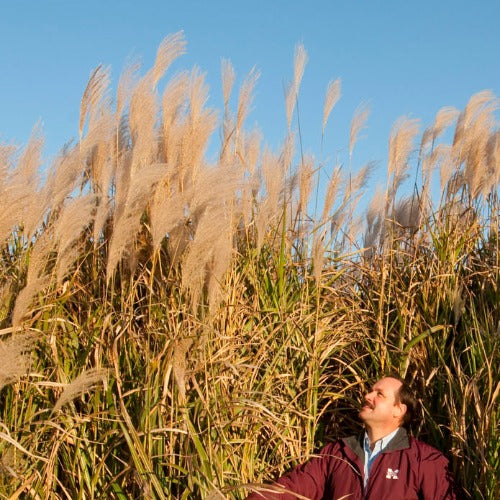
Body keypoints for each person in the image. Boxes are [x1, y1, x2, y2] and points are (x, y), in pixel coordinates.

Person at [246, 376, 457, 499]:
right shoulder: (336, 454)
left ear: (398, 410)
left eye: (379, 394)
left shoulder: (424, 460)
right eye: (370, 391)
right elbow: (291, 490)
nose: (367, 396)